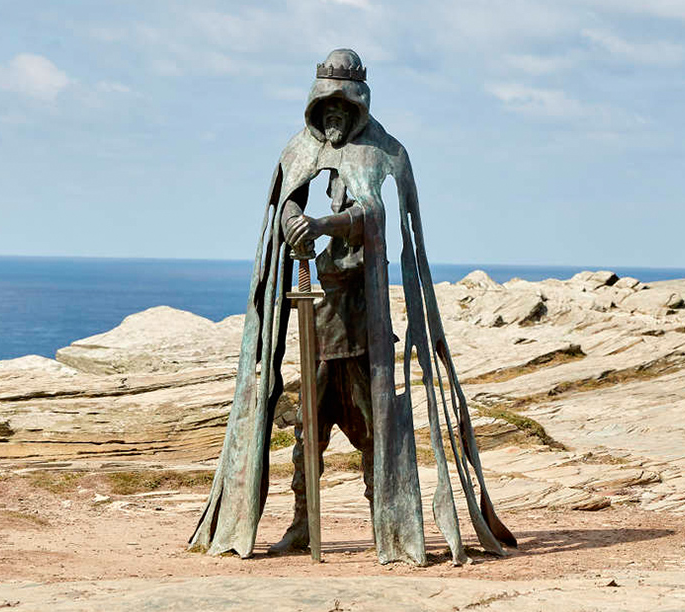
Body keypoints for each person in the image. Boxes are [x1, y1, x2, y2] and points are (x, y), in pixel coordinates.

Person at [189, 49, 516, 566]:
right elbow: (286, 201)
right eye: (327, 110)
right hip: (318, 323)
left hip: (365, 325)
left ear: (357, 108)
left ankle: (387, 524)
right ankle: (301, 524)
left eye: (344, 109)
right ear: (317, 110)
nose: (334, 119)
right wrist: (295, 220)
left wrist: (324, 226)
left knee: (375, 430)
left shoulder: (383, 152)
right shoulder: (298, 149)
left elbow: (374, 214)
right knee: (307, 434)